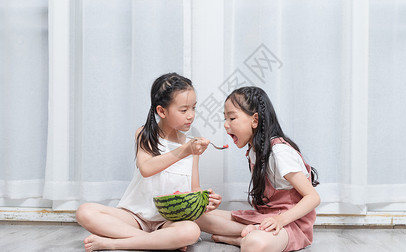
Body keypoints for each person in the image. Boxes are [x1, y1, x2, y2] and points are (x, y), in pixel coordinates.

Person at [76, 72, 221, 252]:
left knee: (190, 231)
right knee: (84, 211)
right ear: (162, 111)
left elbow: (194, 188)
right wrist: (185, 150)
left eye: (194, 108)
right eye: (184, 110)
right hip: (134, 217)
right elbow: (146, 168)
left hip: (168, 221)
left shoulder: (193, 144)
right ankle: (157, 241)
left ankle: (114, 243)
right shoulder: (145, 134)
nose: (191, 115)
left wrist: (205, 199)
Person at [196, 86, 320, 252]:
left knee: (254, 244)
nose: (226, 125)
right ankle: (245, 232)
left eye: (232, 118)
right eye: (225, 119)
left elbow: (313, 198)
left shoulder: (279, 152)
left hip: (290, 224)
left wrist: (280, 221)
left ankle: (243, 238)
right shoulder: (254, 150)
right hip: (264, 218)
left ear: (255, 120)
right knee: (196, 216)